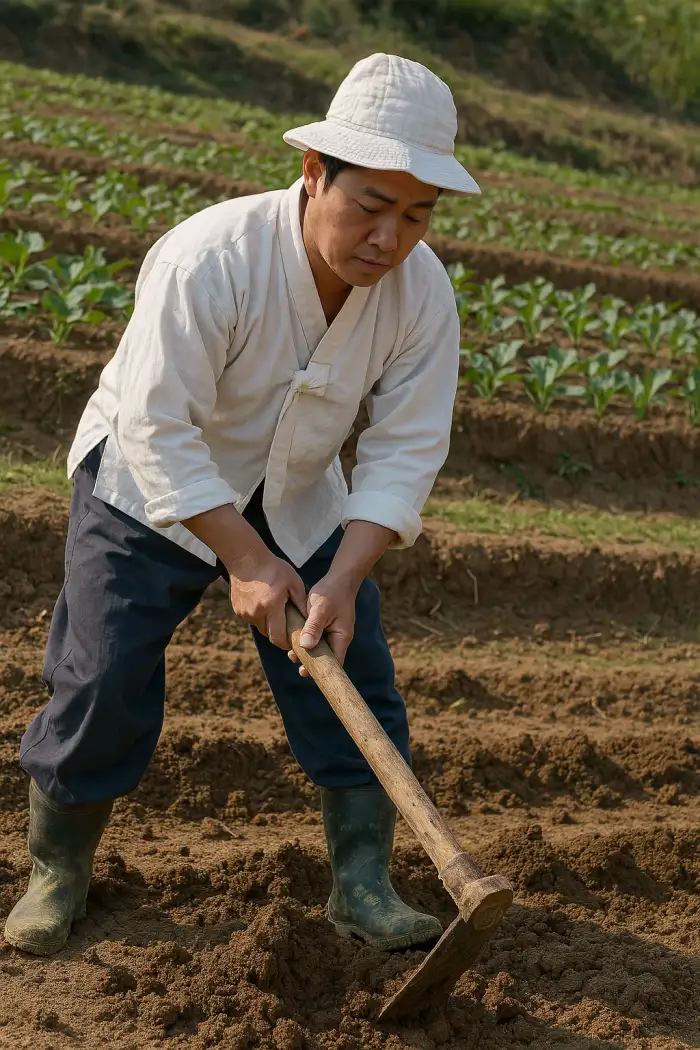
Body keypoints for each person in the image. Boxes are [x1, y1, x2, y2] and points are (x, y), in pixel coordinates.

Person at [4, 52, 480, 957]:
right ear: (314, 174)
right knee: (103, 673)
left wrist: (339, 575)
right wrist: (246, 561)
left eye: (416, 215)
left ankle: (363, 884)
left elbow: (404, 450)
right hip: (151, 486)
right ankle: (58, 872)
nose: (391, 237)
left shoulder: (424, 297)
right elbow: (156, 423)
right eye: (371, 206)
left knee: (354, 672)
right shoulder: (211, 256)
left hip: (297, 493)